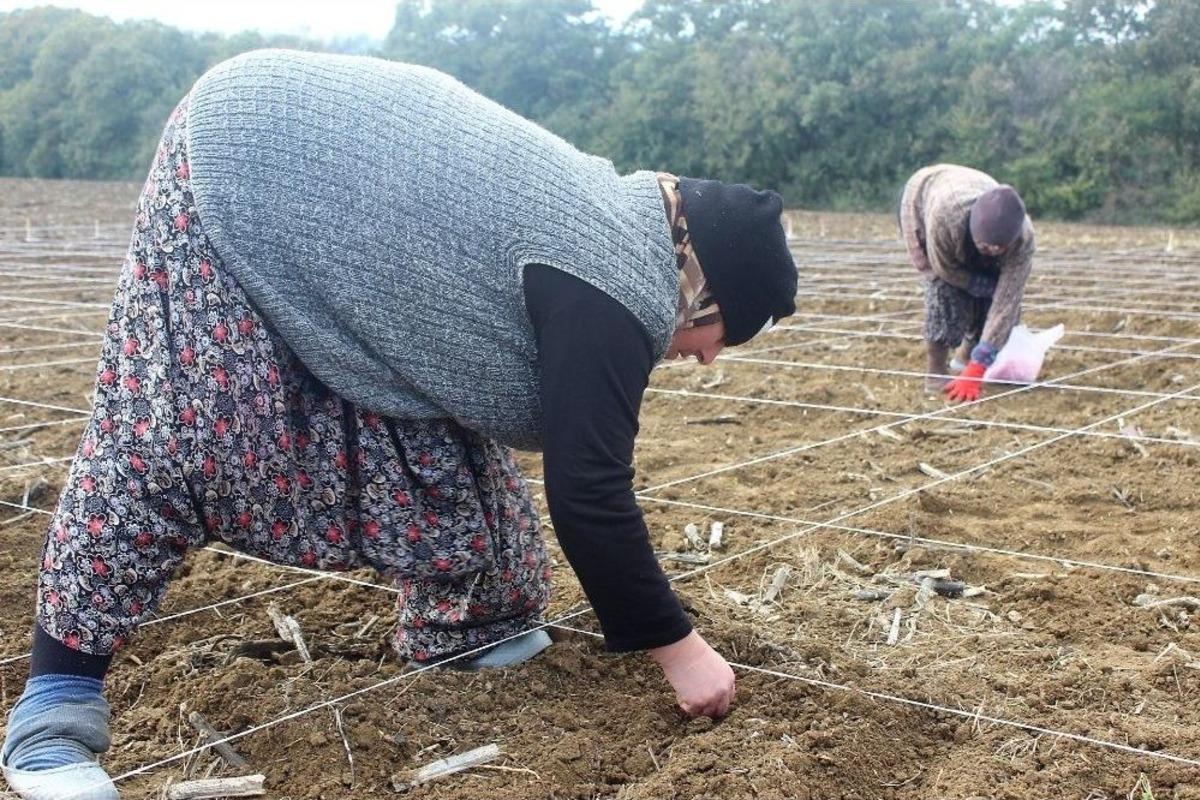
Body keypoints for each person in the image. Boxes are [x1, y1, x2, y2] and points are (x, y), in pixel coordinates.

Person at [0, 49, 798, 800]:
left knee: (432, 435)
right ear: (706, 292)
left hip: (326, 205)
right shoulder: (619, 283)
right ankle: (53, 712)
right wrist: (680, 650)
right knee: (188, 437)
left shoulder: (621, 232)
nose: (705, 360)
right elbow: (590, 492)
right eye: (723, 337)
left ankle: (476, 628)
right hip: (240, 163)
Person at [898, 164, 1035, 402]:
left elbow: (1007, 300)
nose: (992, 251)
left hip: (967, 192)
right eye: (985, 246)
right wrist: (974, 284)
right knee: (944, 293)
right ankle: (936, 371)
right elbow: (944, 269)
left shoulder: (1022, 240)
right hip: (922, 198)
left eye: (998, 248)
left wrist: (980, 364)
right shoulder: (946, 218)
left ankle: (966, 357)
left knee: (993, 298)